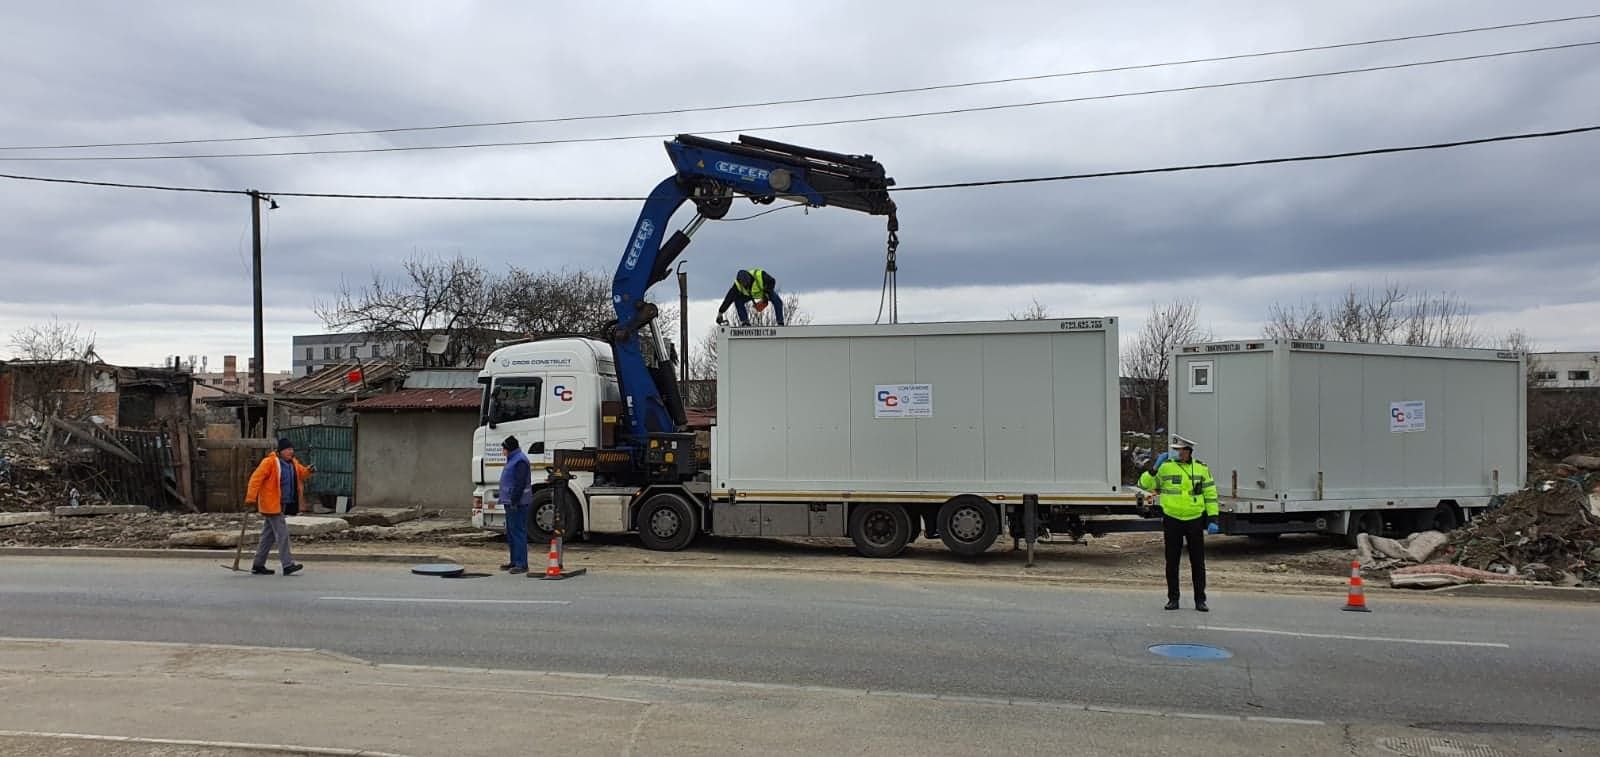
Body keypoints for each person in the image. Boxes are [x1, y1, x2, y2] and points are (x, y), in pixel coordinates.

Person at [1138, 435, 1219, 611]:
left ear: (1188, 451)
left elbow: (1211, 495)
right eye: (1175, 449)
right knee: (1172, 561)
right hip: (1172, 519)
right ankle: (1173, 599)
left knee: (1198, 562)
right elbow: (1144, 484)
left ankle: (1200, 600)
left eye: (1179, 450)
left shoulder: (1201, 469)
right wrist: (1154, 468)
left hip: (1194, 519)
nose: (1176, 452)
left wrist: (1212, 518)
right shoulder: (1165, 467)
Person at [246, 438, 314, 576]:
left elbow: (301, 473)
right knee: (282, 534)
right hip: (271, 504)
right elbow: (255, 479)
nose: (291, 452)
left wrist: (309, 471)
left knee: (267, 536)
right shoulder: (269, 462)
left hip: (282, 504)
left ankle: (258, 565)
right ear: (281, 451)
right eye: (288, 449)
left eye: (292, 449)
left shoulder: (293, 463)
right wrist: (250, 498)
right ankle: (287, 565)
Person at [498, 435, 534, 574]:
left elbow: (519, 484)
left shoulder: (520, 461)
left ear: (509, 449)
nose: (503, 451)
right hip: (511, 502)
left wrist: (514, 500)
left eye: (504, 449)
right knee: (512, 533)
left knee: (518, 533)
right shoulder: (513, 459)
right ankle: (514, 562)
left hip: (518, 504)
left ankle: (521, 564)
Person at [716, 268, 786, 327]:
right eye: (744, 285)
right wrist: (720, 312)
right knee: (738, 300)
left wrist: (766, 295)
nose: (746, 287)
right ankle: (745, 322)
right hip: (750, 295)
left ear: (749, 278)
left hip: (764, 291)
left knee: (777, 301)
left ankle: (780, 322)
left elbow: (772, 281)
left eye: (747, 284)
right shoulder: (737, 285)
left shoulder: (760, 275)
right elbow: (729, 298)